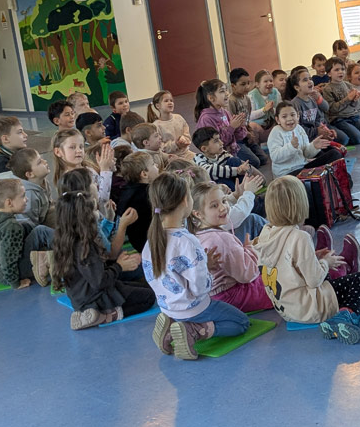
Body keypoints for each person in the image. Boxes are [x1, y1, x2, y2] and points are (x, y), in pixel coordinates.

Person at [253, 176, 360, 345]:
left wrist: (314, 257)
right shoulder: (299, 237)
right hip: (311, 308)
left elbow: (288, 268)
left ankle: (351, 295)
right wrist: (325, 263)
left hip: (288, 310)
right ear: (301, 205)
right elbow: (314, 280)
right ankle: (342, 317)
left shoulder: (265, 235)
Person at [144, 173, 250, 360]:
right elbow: (200, 288)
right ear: (186, 201)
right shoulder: (188, 241)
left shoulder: (152, 239)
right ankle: (194, 329)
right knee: (241, 323)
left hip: (168, 307)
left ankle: (172, 325)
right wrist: (205, 268)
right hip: (194, 308)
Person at [51, 170, 151, 330]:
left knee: (143, 287)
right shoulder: (85, 244)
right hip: (94, 297)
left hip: (80, 296)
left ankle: (93, 311)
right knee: (148, 297)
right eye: (92, 212)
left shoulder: (66, 237)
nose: (96, 214)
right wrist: (119, 266)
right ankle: (105, 316)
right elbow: (99, 281)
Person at [188, 181, 273, 312]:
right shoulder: (221, 238)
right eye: (214, 206)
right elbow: (248, 275)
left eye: (224, 201)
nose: (223, 208)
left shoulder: (196, 234)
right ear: (198, 214)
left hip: (213, 297)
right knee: (280, 283)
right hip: (232, 296)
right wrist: (251, 249)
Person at [0, 178, 54, 290]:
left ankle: (48, 255)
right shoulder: (11, 226)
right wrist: (16, 283)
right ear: (9, 202)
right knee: (41, 231)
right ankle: (69, 254)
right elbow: (8, 259)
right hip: (7, 274)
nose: (26, 199)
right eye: (23, 196)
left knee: (26, 224)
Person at [195, 79, 260, 168]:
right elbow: (216, 144)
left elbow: (239, 137)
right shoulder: (206, 118)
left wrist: (239, 126)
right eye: (222, 91)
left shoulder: (224, 112)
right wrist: (232, 127)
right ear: (211, 98)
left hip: (233, 149)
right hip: (220, 157)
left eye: (226, 90)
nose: (227, 93)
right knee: (252, 165)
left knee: (256, 161)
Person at [267, 102, 343, 177]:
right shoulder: (276, 132)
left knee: (335, 154)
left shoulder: (299, 128)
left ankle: (340, 179)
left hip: (303, 167)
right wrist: (291, 147)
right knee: (317, 179)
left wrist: (314, 146)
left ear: (298, 116)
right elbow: (275, 157)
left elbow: (306, 154)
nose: (289, 119)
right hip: (287, 173)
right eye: (284, 116)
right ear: (278, 120)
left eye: (292, 115)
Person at [51, 129, 115, 212]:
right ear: (58, 152)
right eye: (72, 147)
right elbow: (100, 202)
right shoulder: (70, 179)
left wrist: (110, 167)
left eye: (81, 147)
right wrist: (105, 171)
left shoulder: (87, 167)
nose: (79, 151)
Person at [321, 57, 360, 144]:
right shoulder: (327, 89)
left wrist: (356, 99)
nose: (340, 72)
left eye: (343, 69)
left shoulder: (348, 85)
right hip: (339, 119)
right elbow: (332, 109)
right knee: (357, 138)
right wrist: (348, 99)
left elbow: (355, 106)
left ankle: (353, 132)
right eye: (337, 70)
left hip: (354, 116)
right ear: (329, 73)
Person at [287, 67, 348, 145]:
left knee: (342, 141)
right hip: (306, 137)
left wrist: (325, 130)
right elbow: (297, 127)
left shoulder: (313, 99)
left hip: (317, 132)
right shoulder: (295, 104)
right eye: (305, 80)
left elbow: (321, 115)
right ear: (297, 87)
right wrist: (317, 132)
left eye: (310, 79)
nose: (309, 82)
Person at [116, 152, 160, 253]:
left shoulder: (126, 190)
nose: (156, 165)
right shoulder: (148, 195)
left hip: (129, 244)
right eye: (153, 164)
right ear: (144, 174)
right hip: (143, 246)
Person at [227, 68, 268, 166]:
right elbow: (232, 124)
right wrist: (246, 133)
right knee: (255, 162)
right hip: (237, 139)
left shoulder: (247, 99)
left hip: (246, 135)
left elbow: (247, 119)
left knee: (263, 159)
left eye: (248, 83)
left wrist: (249, 132)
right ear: (233, 86)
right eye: (243, 84)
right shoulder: (231, 101)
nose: (247, 87)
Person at [9, 147, 54, 227]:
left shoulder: (42, 181)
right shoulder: (28, 195)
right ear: (30, 174)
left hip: (42, 217)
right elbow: (29, 223)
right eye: (39, 162)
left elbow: (49, 203)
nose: (45, 161)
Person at [146, 90, 194, 160]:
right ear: (158, 106)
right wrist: (175, 145)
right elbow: (160, 147)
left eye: (171, 100)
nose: (170, 103)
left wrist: (185, 140)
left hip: (186, 153)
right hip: (171, 157)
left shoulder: (179, 118)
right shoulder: (156, 125)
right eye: (166, 101)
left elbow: (187, 134)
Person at [0, 116, 28, 182]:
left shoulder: (18, 157)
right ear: (6, 139)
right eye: (19, 132)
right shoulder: (2, 167)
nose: (25, 135)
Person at [248, 69, 281, 136]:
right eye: (265, 81)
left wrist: (272, 110)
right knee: (252, 126)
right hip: (258, 127)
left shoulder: (276, 92)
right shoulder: (251, 95)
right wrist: (264, 110)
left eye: (271, 81)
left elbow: (281, 110)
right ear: (257, 84)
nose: (269, 83)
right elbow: (249, 116)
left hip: (274, 124)